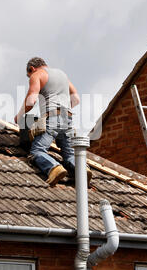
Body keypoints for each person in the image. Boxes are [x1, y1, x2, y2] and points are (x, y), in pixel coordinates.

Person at [14, 57, 92, 186]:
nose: (30, 78)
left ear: (32, 69)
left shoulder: (37, 75)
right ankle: (82, 170)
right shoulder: (62, 75)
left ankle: (54, 168)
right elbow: (76, 99)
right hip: (68, 118)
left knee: (37, 151)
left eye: (29, 75)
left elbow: (31, 100)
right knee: (69, 155)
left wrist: (19, 115)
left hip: (52, 117)